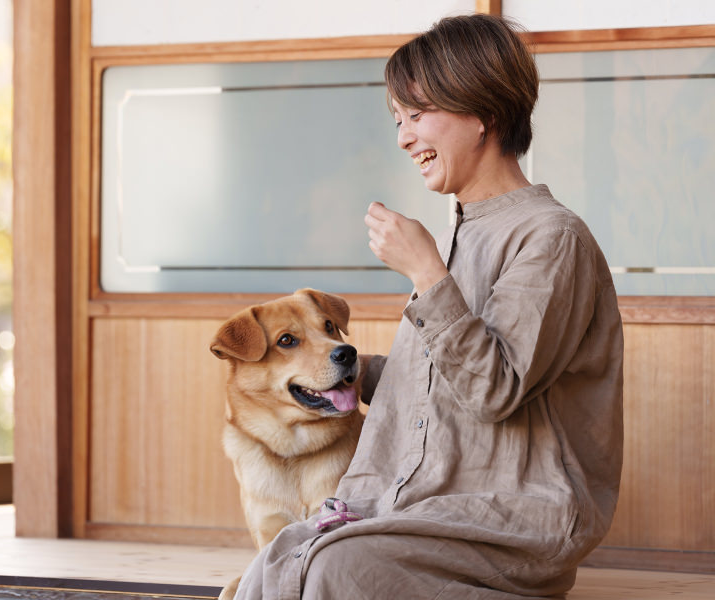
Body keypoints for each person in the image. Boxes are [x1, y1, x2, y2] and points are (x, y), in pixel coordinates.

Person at [234, 13, 624, 600]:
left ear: (483, 113)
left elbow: (494, 390)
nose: (403, 137)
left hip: (512, 522)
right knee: (281, 556)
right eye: (398, 119)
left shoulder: (550, 237)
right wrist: (349, 373)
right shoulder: (452, 240)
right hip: (421, 503)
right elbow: (444, 385)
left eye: (417, 115)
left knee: (331, 568)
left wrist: (425, 272)